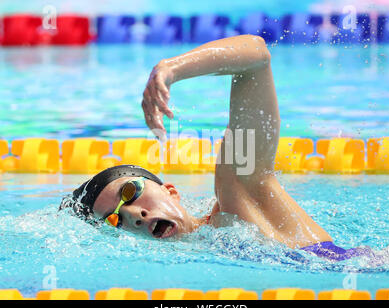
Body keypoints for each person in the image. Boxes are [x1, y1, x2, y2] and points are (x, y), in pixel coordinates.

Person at [60, 35, 371, 261]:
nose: (133, 216)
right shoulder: (203, 256)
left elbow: (256, 58)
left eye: (129, 193)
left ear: (171, 190)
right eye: (115, 220)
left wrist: (169, 69)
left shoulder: (236, 197)